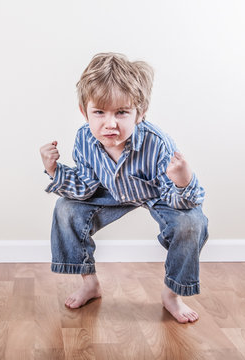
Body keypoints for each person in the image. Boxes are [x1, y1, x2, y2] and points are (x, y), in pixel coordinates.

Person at [39, 52, 209, 324]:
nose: (110, 123)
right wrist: (54, 170)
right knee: (65, 208)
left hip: (158, 192)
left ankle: (172, 294)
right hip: (110, 190)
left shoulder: (157, 143)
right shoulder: (85, 138)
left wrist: (182, 180)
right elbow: (85, 186)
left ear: (139, 113)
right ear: (85, 112)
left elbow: (182, 200)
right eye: (99, 112)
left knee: (192, 223)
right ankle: (90, 284)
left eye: (121, 112)